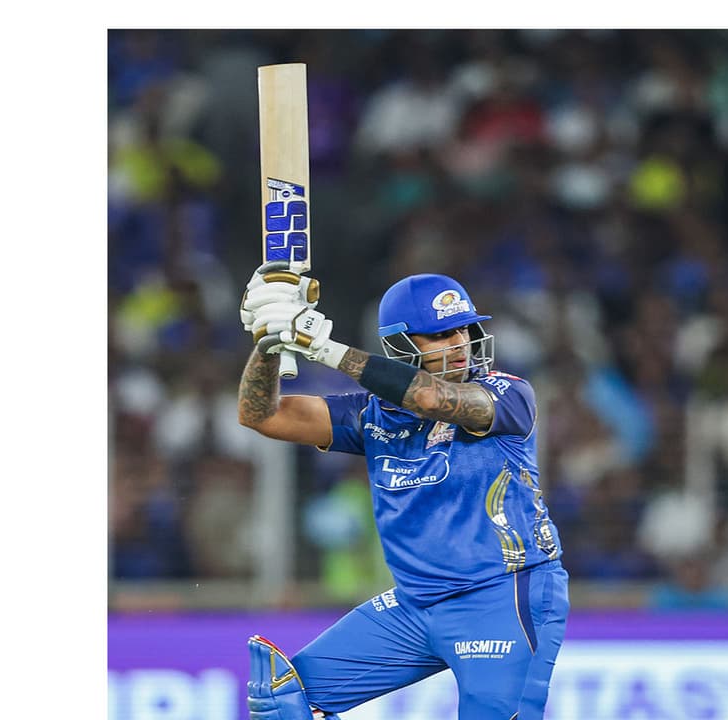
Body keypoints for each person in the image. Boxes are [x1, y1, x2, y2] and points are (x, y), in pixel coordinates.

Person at [236, 262, 569, 720]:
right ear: (400, 346)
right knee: (281, 702)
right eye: (439, 335)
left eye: (464, 330)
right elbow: (261, 415)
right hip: (414, 604)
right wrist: (269, 344)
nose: (459, 343)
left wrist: (324, 347)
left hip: (501, 595)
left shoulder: (508, 394)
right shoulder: (374, 415)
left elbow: (430, 399)